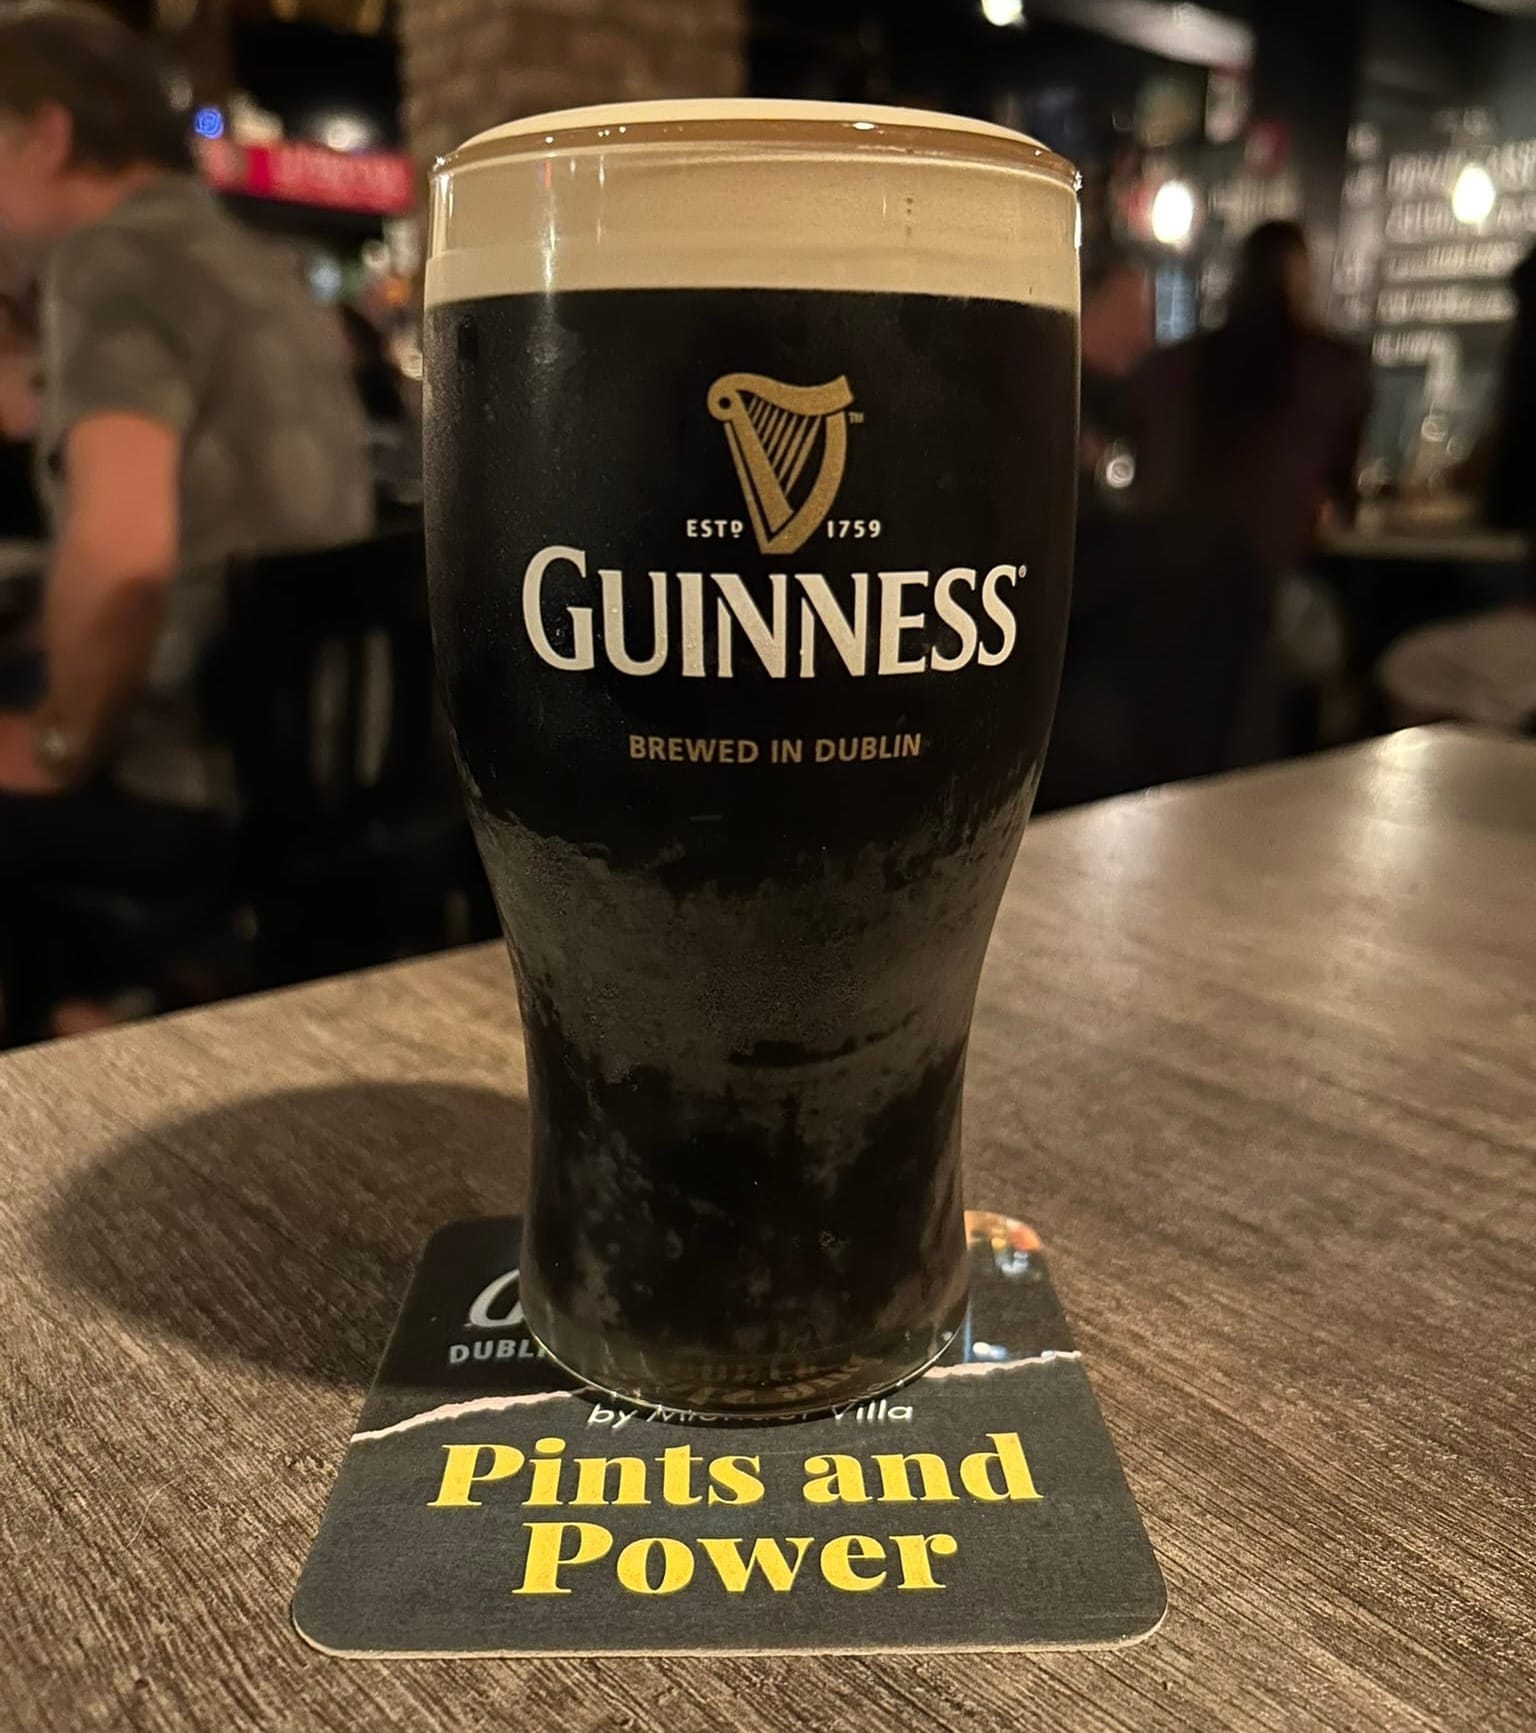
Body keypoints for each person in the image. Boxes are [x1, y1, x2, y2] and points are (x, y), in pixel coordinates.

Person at [0, 3, 372, 1035]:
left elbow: (122, 558)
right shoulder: (256, 260)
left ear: (47, 132)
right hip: (327, 768)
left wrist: (58, 745)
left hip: (199, 785)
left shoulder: (107, 261)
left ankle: (62, 1056)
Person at [1036, 240, 1272, 810]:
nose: (1143, 336)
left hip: (1105, 593)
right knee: (1224, 560)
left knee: (1228, 570)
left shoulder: (1136, 396)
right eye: (1129, 314)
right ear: (1081, 303)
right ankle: (1203, 794)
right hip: (1050, 580)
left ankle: (1202, 792)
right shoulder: (1040, 382)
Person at [1132, 220, 1370, 579]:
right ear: (1302, 275)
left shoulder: (1169, 366)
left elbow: (1144, 479)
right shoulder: (1335, 369)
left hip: (1161, 581)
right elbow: (1342, 494)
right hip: (1271, 587)